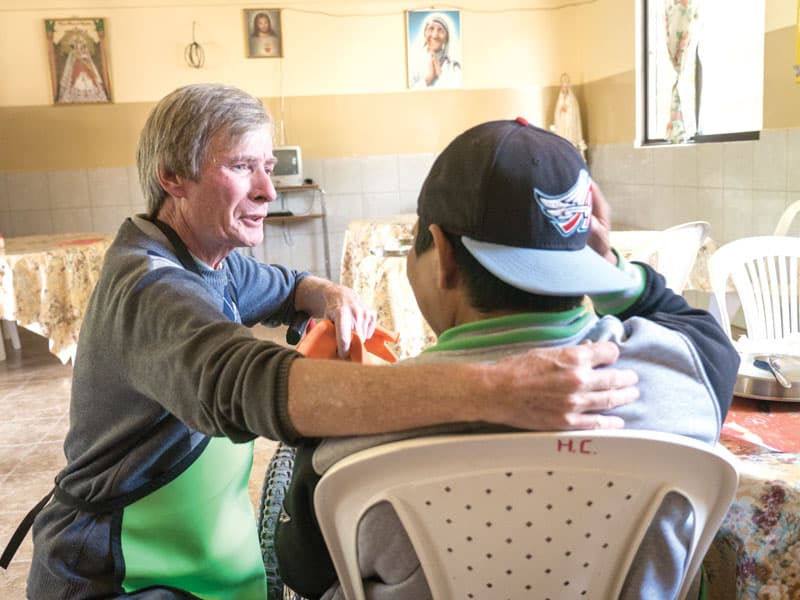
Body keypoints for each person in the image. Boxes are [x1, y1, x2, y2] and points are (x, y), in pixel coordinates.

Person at [0, 86, 640, 597]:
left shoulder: (210, 257)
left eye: (268, 166)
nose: (268, 190)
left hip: (208, 563)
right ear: (172, 176)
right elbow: (246, 385)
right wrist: (495, 387)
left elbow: (284, 285)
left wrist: (329, 295)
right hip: (121, 570)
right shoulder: (149, 288)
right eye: (241, 167)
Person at [275, 118, 739, 599]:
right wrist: (615, 273)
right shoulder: (685, 374)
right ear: (585, 258)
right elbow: (708, 340)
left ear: (443, 256)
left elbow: (301, 570)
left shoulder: (352, 428)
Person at [409, 12, 462, 89]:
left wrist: (441, 74)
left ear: (447, 38)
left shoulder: (454, 66)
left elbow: (459, 91)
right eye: (431, 29)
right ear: (424, 34)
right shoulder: (413, 62)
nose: (435, 35)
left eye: (440, 30)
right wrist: (428, 79)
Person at [56, 30, 109, 103]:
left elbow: (88, 60)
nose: (79, 47)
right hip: (77, 67)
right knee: (76, 81)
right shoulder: (73, 53)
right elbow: (72, 61)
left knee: (90, 80)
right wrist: (80, 57)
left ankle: (91, 95)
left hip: (85, 67)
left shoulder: (85, 51)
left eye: (80, 45)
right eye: (77, 45)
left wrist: (85, 58)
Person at [551, 73, 587, 160]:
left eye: (565, 87)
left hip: (571, 127)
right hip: (562, 127)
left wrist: (568, 110)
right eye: (563, 88)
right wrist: (560, 110)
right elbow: (556, 114)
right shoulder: (560, 100)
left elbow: (575, 113)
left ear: (568, 88)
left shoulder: (572, 100)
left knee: (571, 142)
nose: (564, 90)